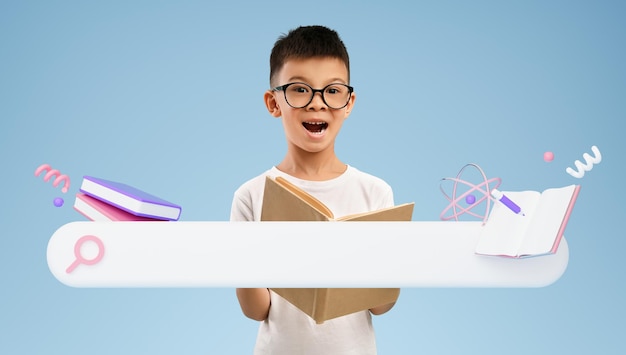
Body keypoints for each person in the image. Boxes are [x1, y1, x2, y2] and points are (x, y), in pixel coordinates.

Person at [230, 25, 397, 355]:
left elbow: (382, 305)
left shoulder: (374, 192)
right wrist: (246, 255)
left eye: (332, 91)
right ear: (273, 102)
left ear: (349, 103)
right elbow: (256, 310)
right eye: (300, 90)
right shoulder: (251, 195)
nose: (317, 104)